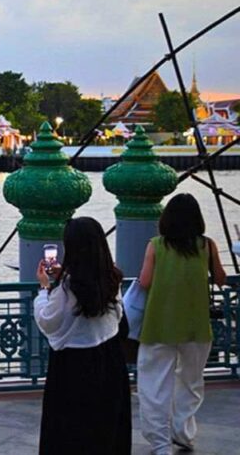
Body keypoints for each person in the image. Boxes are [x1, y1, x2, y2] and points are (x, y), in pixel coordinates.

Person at [137, 193, 227, 455]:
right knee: (190, 381)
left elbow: (144, 281)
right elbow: (220, 278)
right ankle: (183, 432)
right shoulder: (207, 245)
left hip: (159, 323)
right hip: (196, 324)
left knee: (154, 384)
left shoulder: (156, 245)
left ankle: (160, 442)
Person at [34, 217, 130, 454]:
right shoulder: (112, 277)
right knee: (106, 428)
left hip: (73, 367)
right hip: (110, 359)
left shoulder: (67, 289)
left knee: (72, 432)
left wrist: (45, 289)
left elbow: (48, 320)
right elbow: (117, 316)